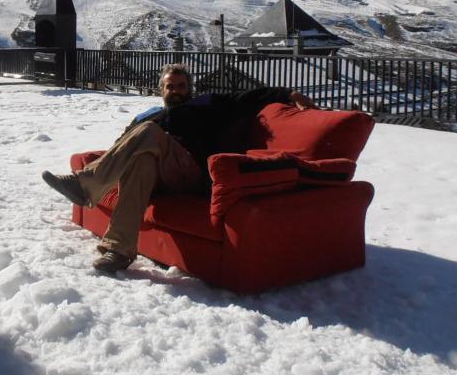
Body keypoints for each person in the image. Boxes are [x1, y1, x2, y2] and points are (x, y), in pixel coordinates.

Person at [42, 63, 315, 274]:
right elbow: (121, 147)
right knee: (142, 159)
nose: (176, 91)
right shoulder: (146, 115)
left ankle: (85, 184)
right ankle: (118, 250)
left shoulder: (207, 105)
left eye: (181, 85)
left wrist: (289, 94)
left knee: (148, 132)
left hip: (189, 173)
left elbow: (250, 97)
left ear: (189, 88)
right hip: (156, 178)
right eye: (170, 86)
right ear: (161, 90)